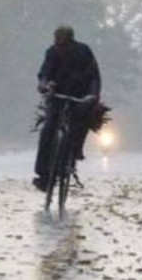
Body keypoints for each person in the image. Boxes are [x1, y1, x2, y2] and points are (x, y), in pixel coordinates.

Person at [33, 26, 101, 191]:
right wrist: (43, 85)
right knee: (48, 130)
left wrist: (92, 95)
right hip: (57, 96)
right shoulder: (51, 53)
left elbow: (94, 76)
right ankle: (43, 174)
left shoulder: (84, 51)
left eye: (64, 44)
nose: (61, 47)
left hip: (80, 97)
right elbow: (44, 73)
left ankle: (74, 152)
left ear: (72, 42)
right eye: (58, 43)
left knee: (79, 123)